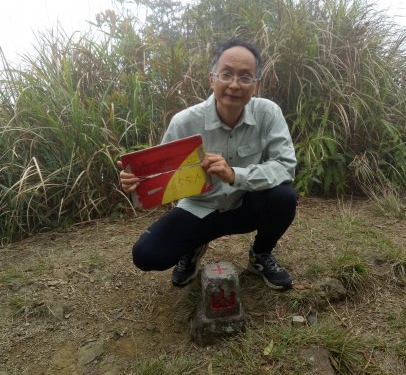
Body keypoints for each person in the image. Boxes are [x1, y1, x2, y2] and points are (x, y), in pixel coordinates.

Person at [119, 39, 298, 290]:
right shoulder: (184, 122)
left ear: (256, 86)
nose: (234, 85)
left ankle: (261, 254)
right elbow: (160, 175)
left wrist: (234, 174)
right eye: (226, 74)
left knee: (284, 196)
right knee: (146, 255)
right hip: (199, 208)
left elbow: (284, 166)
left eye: (245, 77)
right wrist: (137, 181)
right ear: (212, 79)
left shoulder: (268, 113)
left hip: (246, 204)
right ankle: (192, 248)